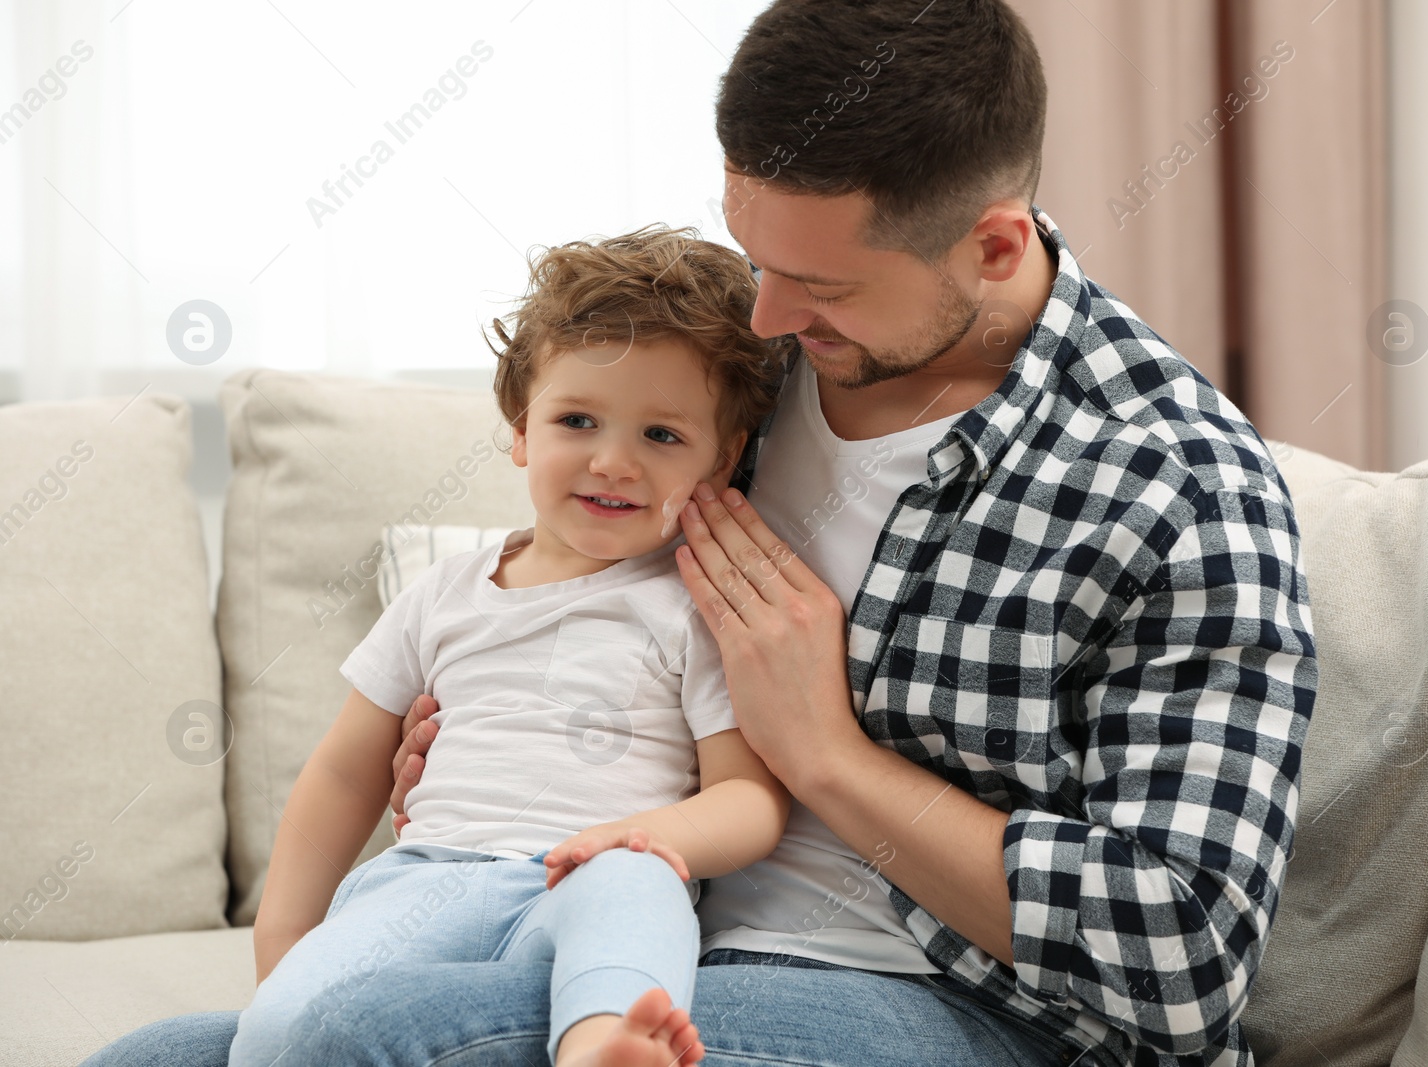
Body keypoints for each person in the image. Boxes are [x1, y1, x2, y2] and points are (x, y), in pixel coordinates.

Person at [84, 1, 1316, 1064]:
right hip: (636, 927)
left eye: (820, 289)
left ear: (992, 243)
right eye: (752, 257)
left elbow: (1185, 952)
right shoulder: (732, 379)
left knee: (352, 1035)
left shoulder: (1175, 487)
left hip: (954, 1003)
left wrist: (825, 753)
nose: (768, 316)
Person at [226, 227, 792, 1067]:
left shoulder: (699, 609)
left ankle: (603, 1044)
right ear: (521, 428)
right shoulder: (444, 593)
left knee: (642, 884)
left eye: (661, 436)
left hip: (584, 883)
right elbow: (345, 771)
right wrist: (285, 938)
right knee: (277, 1034)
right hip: (422, 883)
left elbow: (751, 800)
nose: (613, 461)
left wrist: (632, 836)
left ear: (725, 457)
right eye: (578, 420)